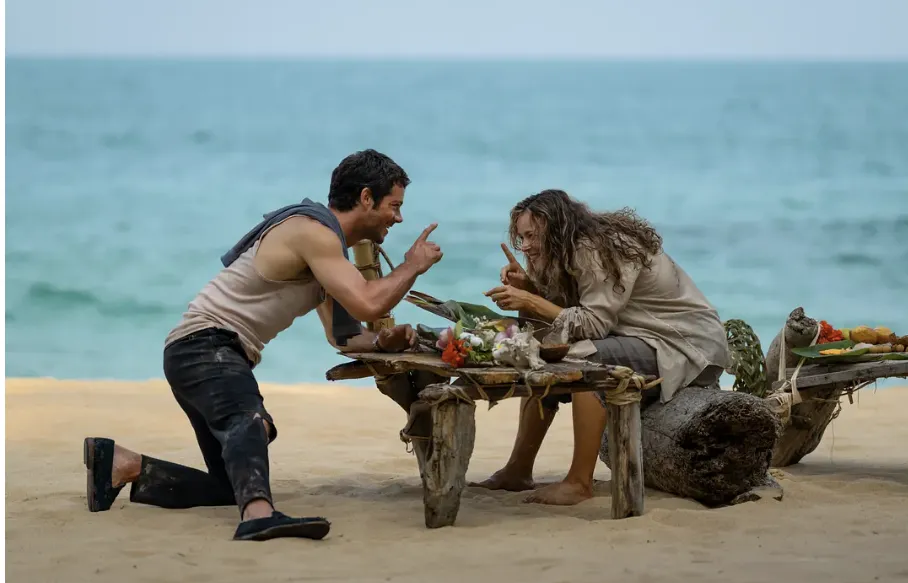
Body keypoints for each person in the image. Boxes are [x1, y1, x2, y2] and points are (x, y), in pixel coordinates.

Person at [82, 149, 444, 541]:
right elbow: (368, 303)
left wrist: (382, 340)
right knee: (251, 421)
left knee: (229, 485)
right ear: (366, 198)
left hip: (195, 351)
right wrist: (412, 265)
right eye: (395, 206)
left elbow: (344, 336)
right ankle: (258, 516)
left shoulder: (328, 252)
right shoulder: (313, 233)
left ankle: (123, 464)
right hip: (207, 345)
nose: (398, 218)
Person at [473, 189, 729, 505]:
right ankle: (517, 470)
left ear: (557, 230)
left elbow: (592, 325)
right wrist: (530, 290)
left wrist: (531, 299)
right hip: (643, 338)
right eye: (521, 238)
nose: (525, 246)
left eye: (532, 236)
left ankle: (579, 483)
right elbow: (559, 325)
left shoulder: (596, 249)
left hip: (686, 346)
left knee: (586, 358)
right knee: (546, 355)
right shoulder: (566, 254)